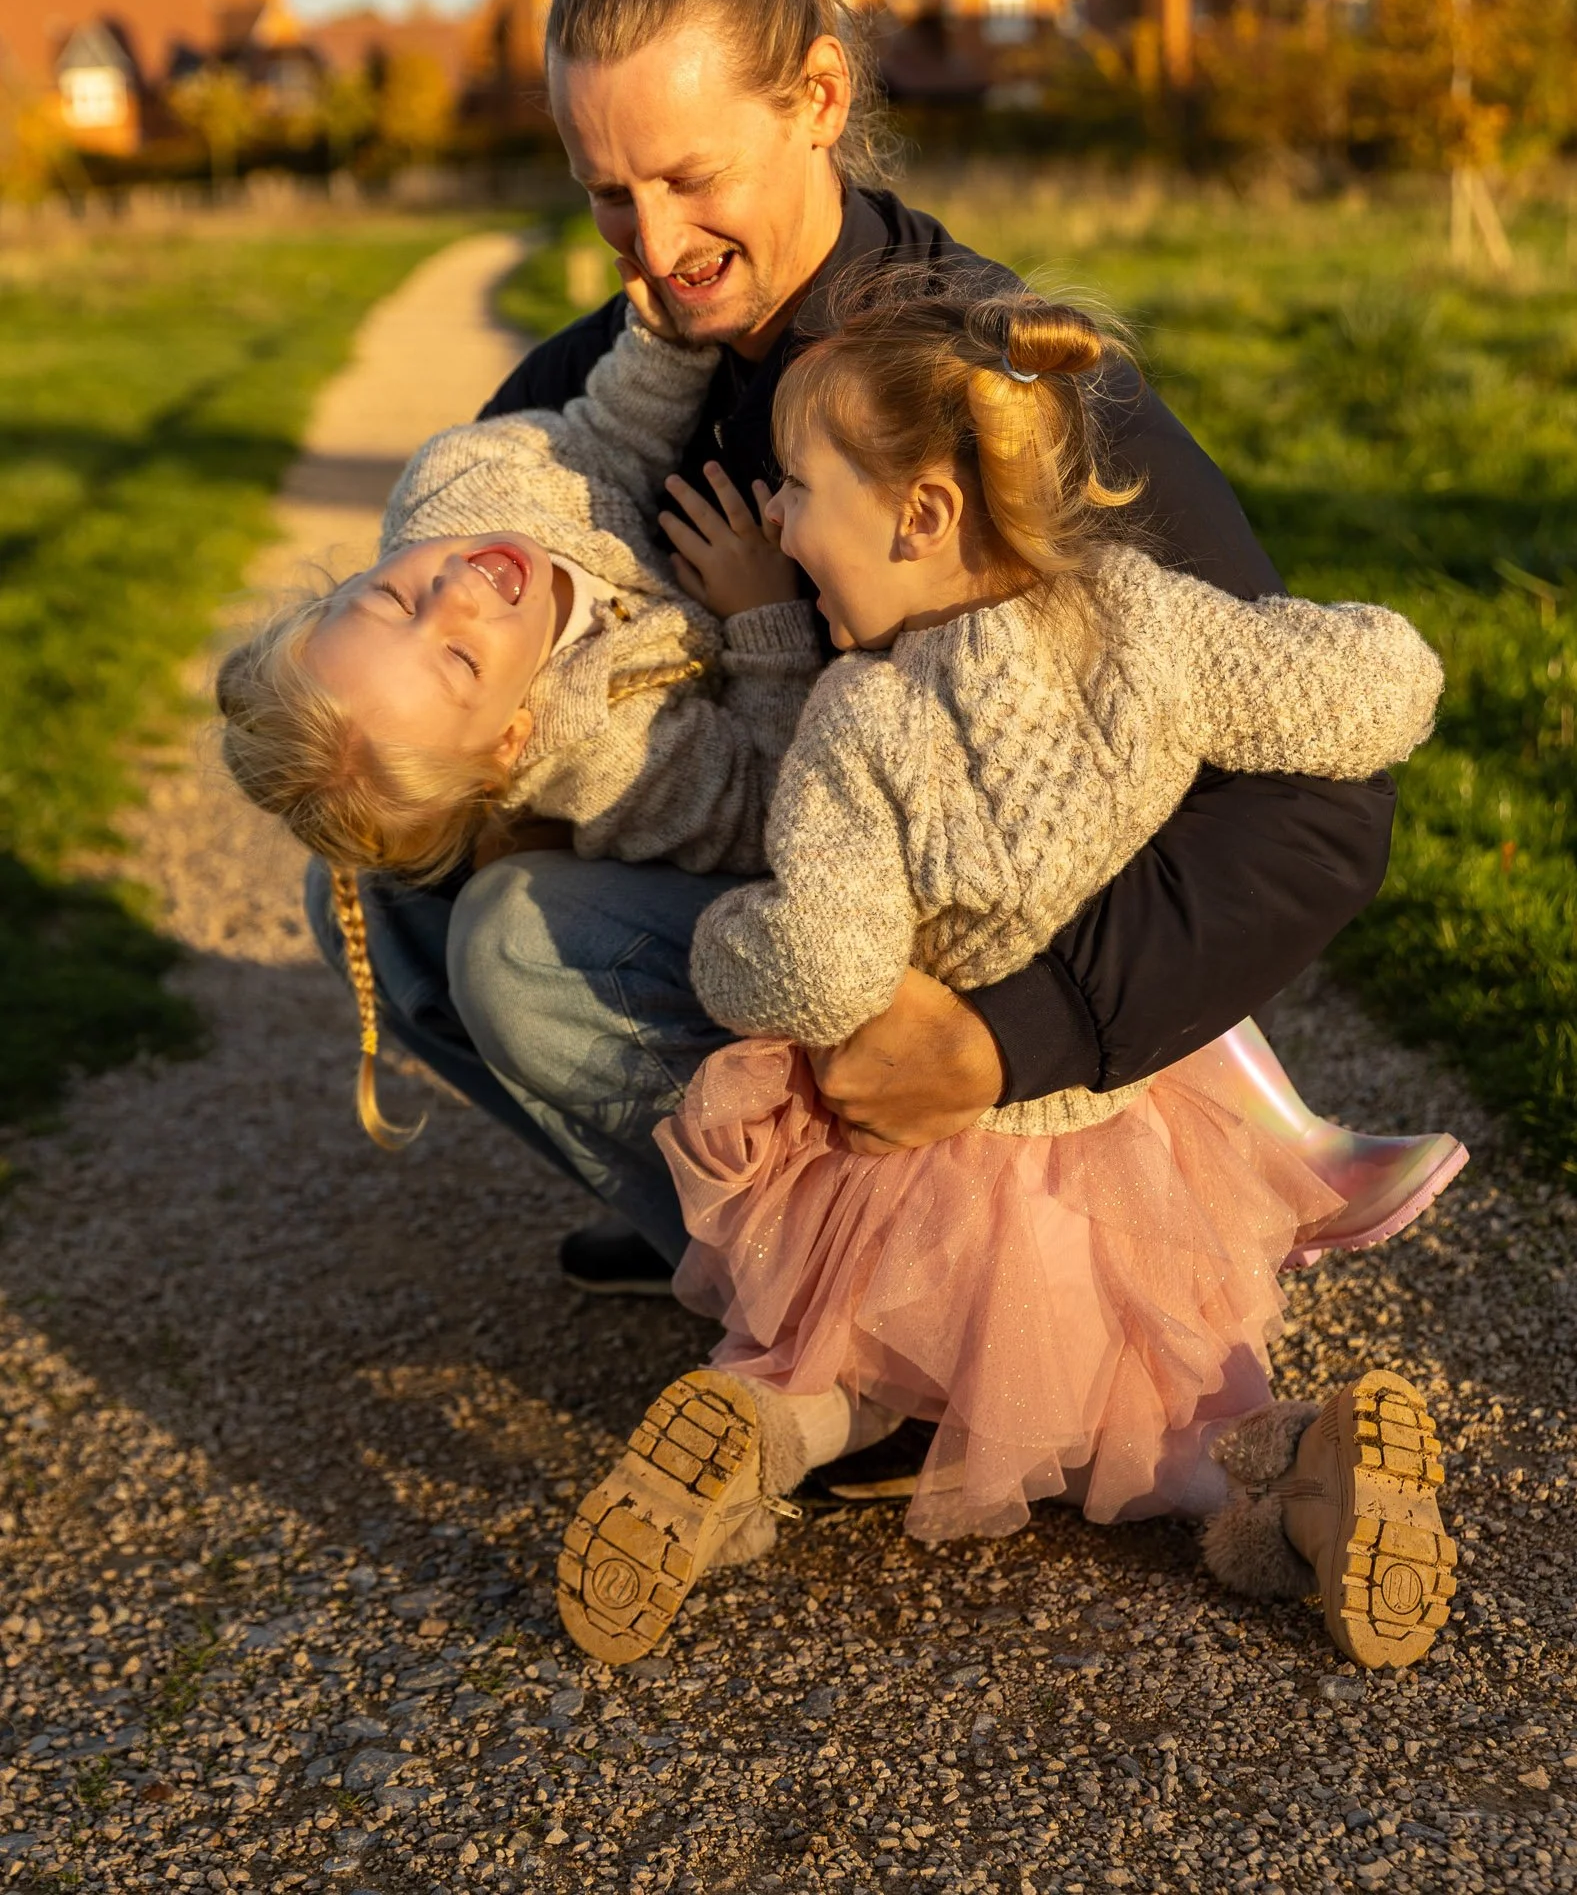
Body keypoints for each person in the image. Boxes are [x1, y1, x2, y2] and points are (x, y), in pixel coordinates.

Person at [303, 0, 1401, 1327]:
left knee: (512, 945)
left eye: (692, 178)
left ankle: (896, 1333)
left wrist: (1015, 1035)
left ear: (817, 101)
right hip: (789, 887)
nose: (657, 251)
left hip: (954, 956)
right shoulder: (606, 370)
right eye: (607, 195)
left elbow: (1322, 811)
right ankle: (721, 1214)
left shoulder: (982, 388)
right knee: (374, 886)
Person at [556, 275, 1461, 1674]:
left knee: (834, 1362)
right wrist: (1380, 643)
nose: (783, 522)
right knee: (1170, 1399)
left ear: (919, 517)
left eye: (798, 490)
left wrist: (724, 943)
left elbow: (822, 960)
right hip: (1126, 1134)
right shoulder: (1144, 619)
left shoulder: (864, 720)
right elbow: (1377, 689)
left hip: (921, 1157)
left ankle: (749, 1438)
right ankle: (1293, 1470)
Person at [220, 278, 818, 1195]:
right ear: (509, 740)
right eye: (460, 661)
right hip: (771, 913)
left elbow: (601, 440)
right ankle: (724, 1211)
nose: (455, 592)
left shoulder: (457, 484)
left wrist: (668, 338)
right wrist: (765, 619)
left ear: (341, 584)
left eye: (390, 596)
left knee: (388, 900)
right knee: (375, 909)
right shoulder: (612, 753)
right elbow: (771, 808)